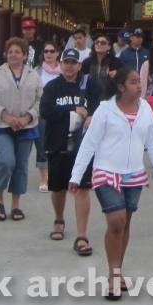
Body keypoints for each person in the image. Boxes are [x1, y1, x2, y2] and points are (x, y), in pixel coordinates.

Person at [67, 67, 153, 299]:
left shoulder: (146, 110)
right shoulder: (105, 110)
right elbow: (88, 144)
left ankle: (117, 269)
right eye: (133, 82)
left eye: (138, 82)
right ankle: (113, 276)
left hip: (134, 174)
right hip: (106, 172)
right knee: (116, 221)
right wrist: (76, 176)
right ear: (121, 87)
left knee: (125, 223)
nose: (138, 86)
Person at [41, 48, 102, 255]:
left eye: (73, 62)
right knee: (58, 188)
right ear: (61, 64)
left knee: (82, 189)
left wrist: (91, 115)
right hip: (57, 143)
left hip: (82, 147)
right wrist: (71, 111)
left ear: (79, 65)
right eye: (65, 62)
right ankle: (59, 219)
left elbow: (100, 105)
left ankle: (82, 235)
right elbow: (45, 110)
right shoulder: (52, 87)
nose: (69, 66)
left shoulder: (90, 85)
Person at [0, 37, 43, 223]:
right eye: (10, 52)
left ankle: (16, 204)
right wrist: (5, 116)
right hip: (2, 125)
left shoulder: (33, 75)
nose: (13, 55)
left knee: (21, 166)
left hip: (26, 126)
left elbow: (41, 100)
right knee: (6, 161)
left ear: (25, 55)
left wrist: (28, 117)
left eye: (17, 52)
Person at [33, 42, 63, 193]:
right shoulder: (36, 71)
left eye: (52, 51)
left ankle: (59, 174)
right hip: (42, 112)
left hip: (62, 111)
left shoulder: (65, 70)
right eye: (46, 51)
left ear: (58, 53)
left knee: (61, 144)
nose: (49, 54)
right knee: (42, 145)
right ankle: (44, 178)